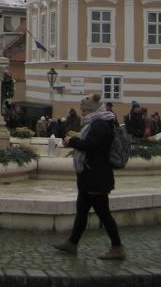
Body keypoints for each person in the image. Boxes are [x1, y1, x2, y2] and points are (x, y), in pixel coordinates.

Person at [54, 93, 125, 261]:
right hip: (89, 176)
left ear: (92, 110)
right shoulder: (95, 122)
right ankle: (72, 243)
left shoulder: (100, 124)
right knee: (82, 211)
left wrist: (71, 141)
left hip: (96, 177)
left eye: (84, 111)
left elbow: (90, 145)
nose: (82, 113)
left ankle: (117, 247)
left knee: (104, 213)